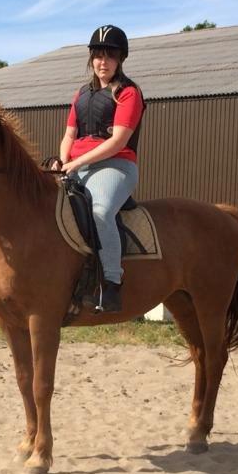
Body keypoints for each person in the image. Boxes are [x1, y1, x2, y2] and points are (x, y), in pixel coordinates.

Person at [56, 25, 145, 312]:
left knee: (100, 212)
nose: (102, 62)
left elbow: (118, 141)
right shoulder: (81, 94)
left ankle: (111, 283)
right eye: (98, 56)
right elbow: (69, 135)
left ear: (120, 59)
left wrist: (77, 162)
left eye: (109, 56)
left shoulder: (128, 93)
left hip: (115, 166)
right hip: (75, 166)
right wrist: (62, 161)